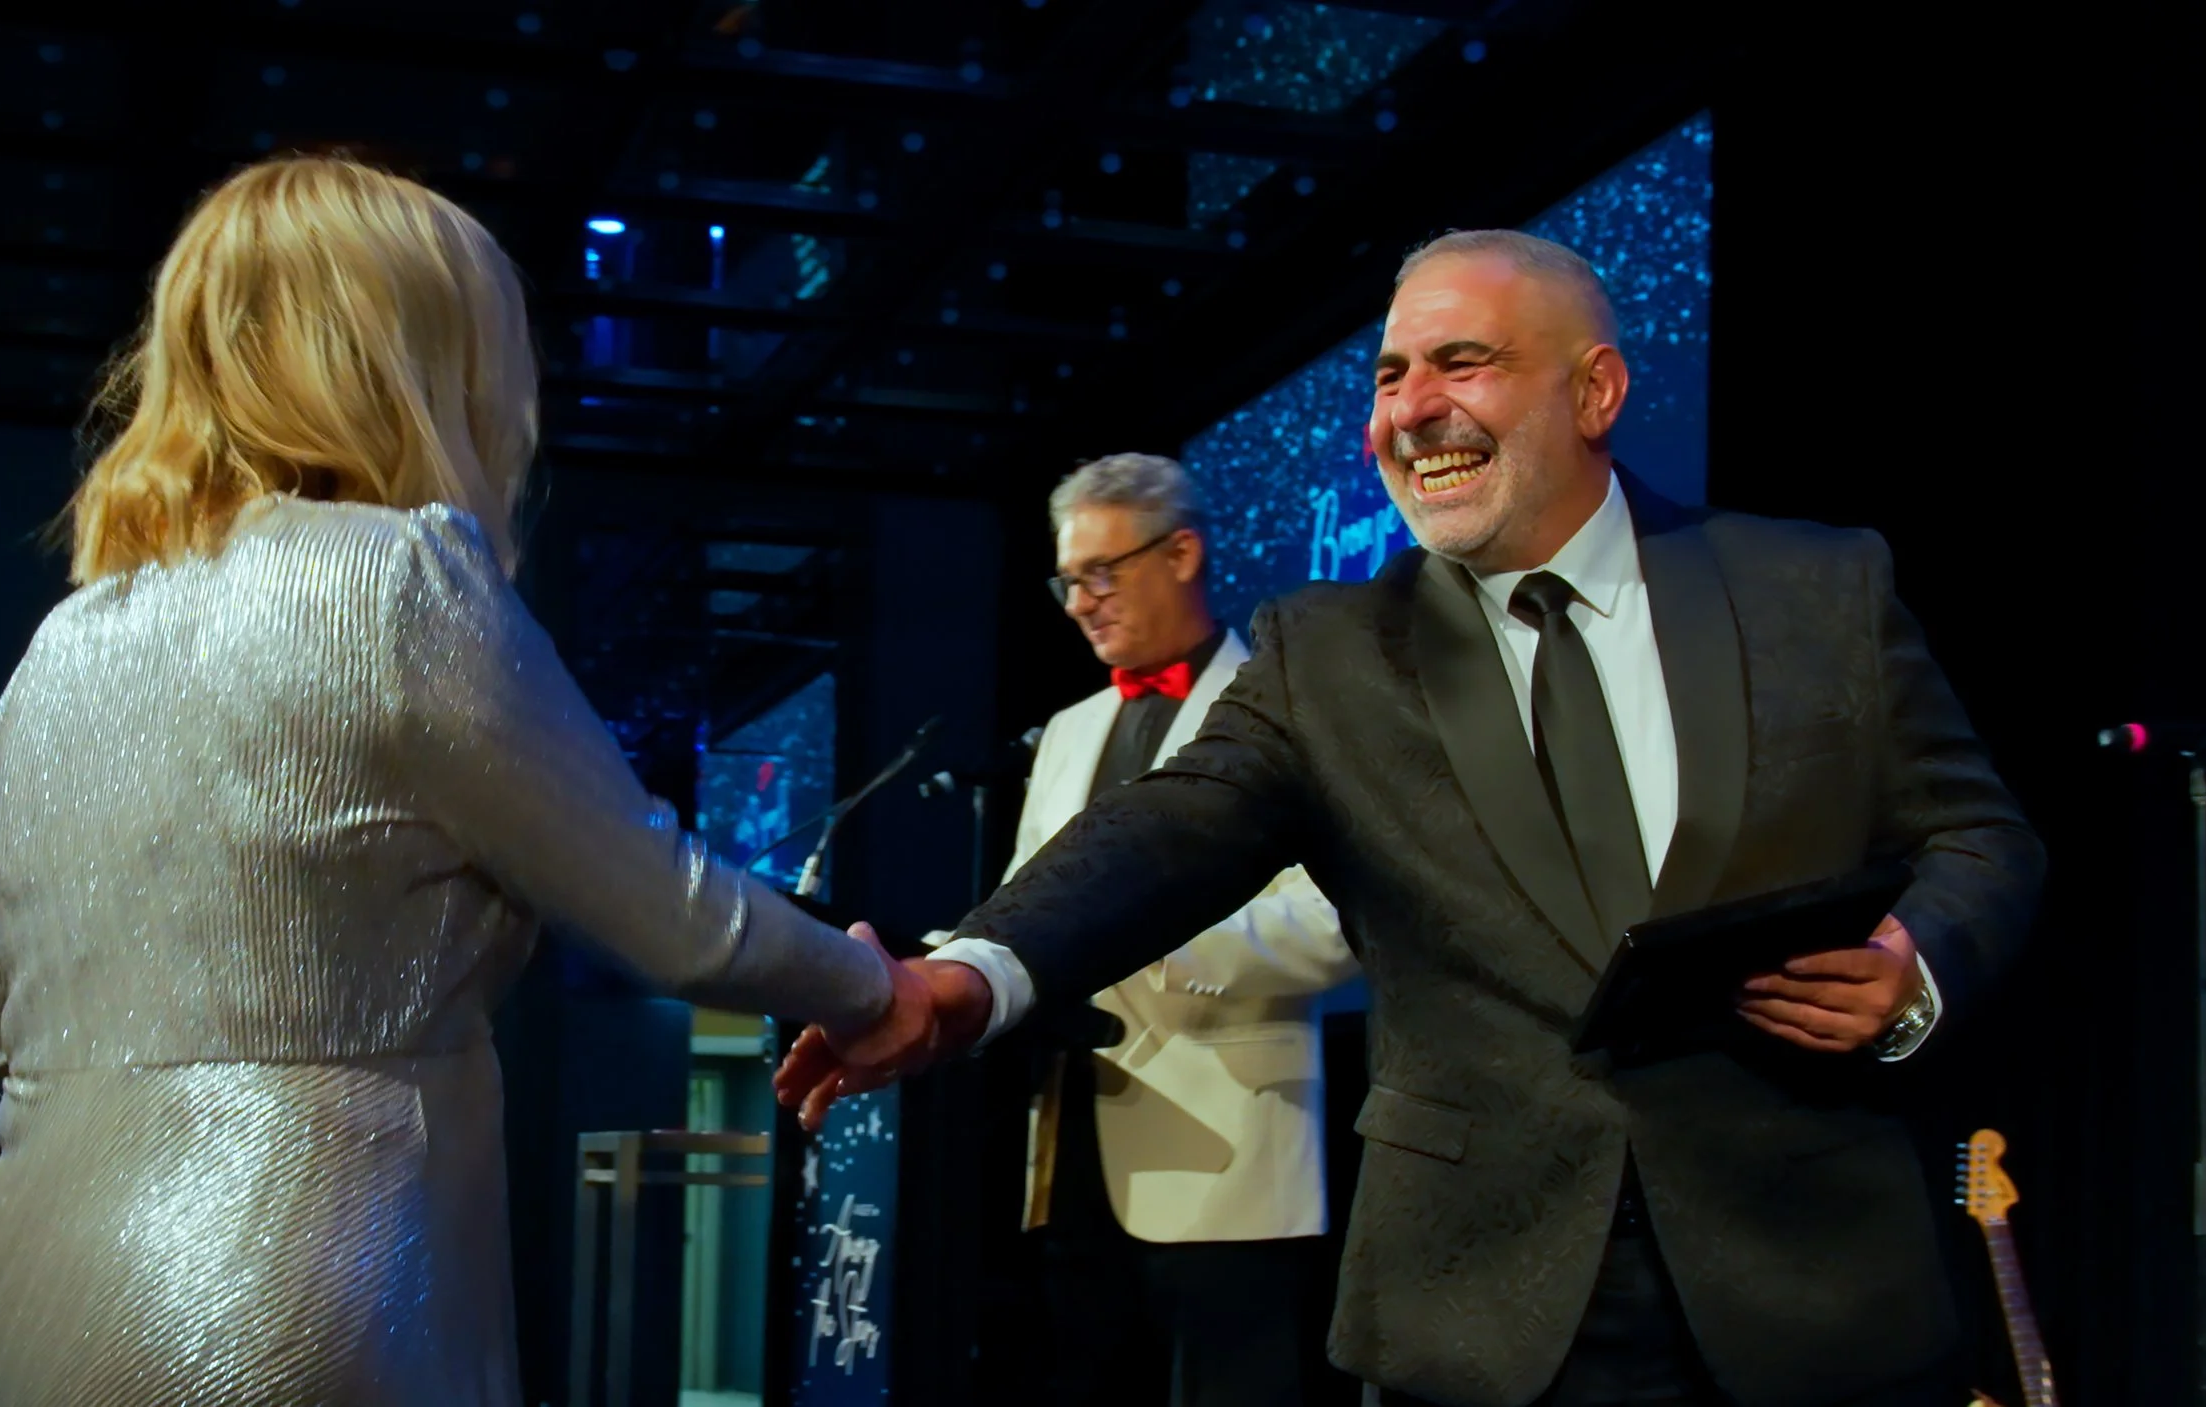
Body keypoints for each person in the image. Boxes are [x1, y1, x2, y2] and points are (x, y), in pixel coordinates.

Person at [784, 229, 2045, 1407]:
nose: (1409, 410)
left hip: (1811, 1291)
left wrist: (1913, 969)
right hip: (1482, 1314)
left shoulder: (1812, 588)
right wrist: (966, 980)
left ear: (1594, 394)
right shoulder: (1330, 652)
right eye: (1390, 375)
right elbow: (1162, 833)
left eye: (1462, 362)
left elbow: (1978, 836)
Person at [0, 156, 933, 1406]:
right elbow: (681, 917)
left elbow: (0, 1012)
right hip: (270, 1290)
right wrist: (873, 987)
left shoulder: (62, 644)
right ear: (420, 362)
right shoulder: (394, 581)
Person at [961, 454, 1356, 1407]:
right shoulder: (1065, 730)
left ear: (1182, 552)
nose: (1080, 603)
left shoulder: (1287, 706)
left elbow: (1336, 925)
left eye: (1102, 572)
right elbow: (1030, 901)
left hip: (1235, 1149)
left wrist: (1140, 938)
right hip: (1073, 1144)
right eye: (1068, 581)